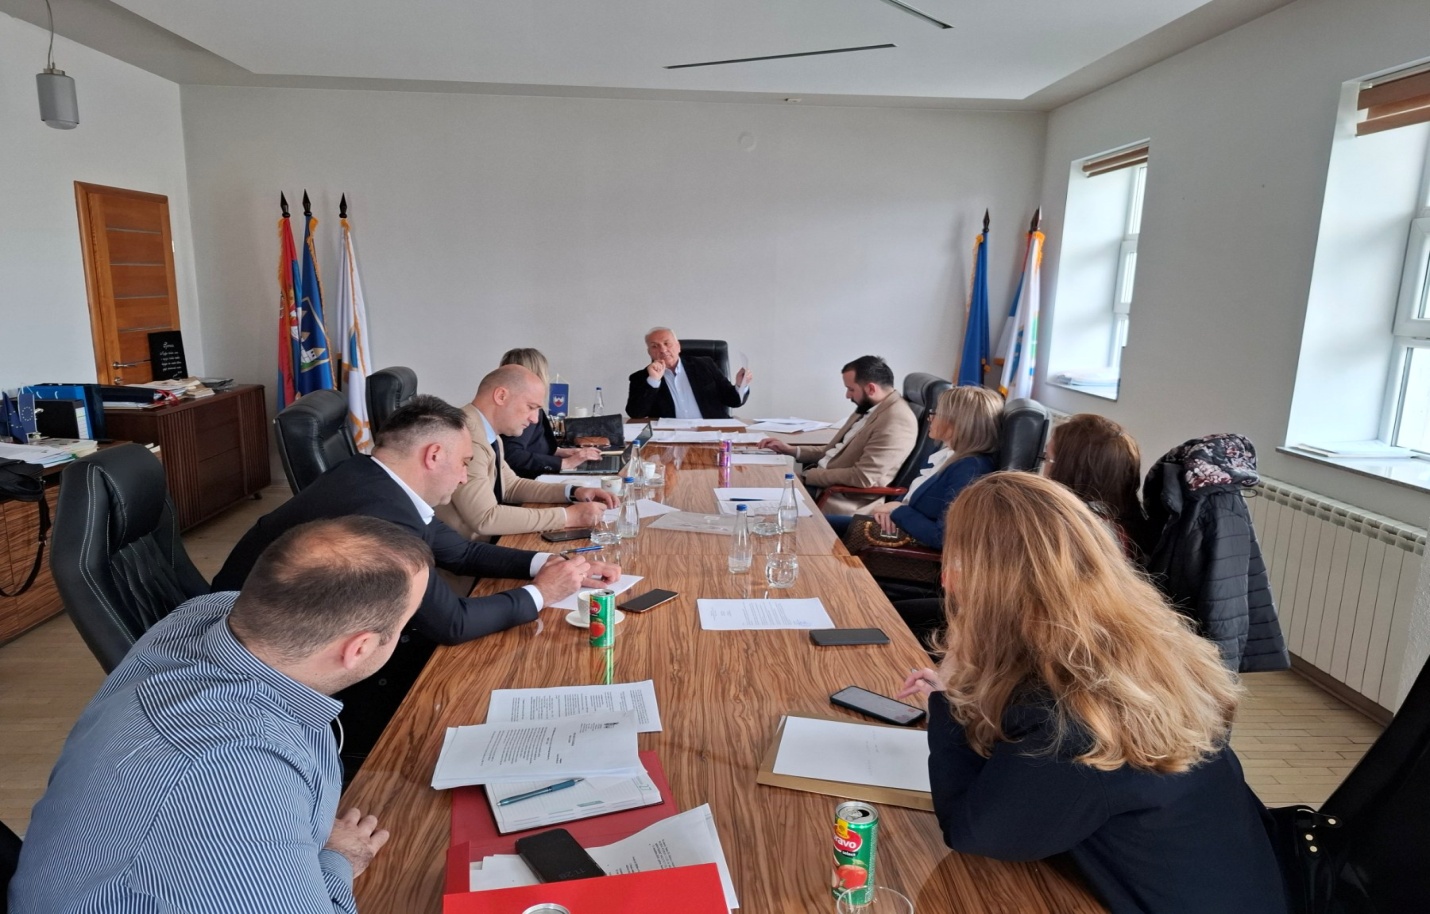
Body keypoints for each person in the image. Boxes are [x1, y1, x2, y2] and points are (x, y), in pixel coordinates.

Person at [895, 473, 1287, 914]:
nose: (946, 579)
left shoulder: (1071, 712)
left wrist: (951, 700)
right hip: (1232, 884)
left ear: (990, 581)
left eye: (955, 561)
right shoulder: (1135, 645)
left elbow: (978, 833)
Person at [10, 516, 431, 914]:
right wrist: (339, 858)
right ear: (359, 648)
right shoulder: (230, 774)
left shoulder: (209, 613)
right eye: (403, 625)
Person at [213, 395, 619, 772]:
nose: (465, 477)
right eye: (464, 463)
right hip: (262, 665)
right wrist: (543, 593)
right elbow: (451, 623)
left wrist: (549, 563)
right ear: (434, 455)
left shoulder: (372, 477)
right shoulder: (380, 515)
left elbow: (461, 553)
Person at [436, 364, 617, 539]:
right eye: (531, 407)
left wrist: (573, 491)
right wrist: (568, 517)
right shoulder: (467, 436)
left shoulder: (487, 432)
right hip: (469, 552)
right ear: (501, 396)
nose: (534, 419)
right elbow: (485, 518)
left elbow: (511, 486)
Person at [828, 384, 1003, 548]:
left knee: (818, 529)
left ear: (958, 422)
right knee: (817, 524)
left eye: (936, 413)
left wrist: (898, 511)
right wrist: (890, 508)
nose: (930, 417)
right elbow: (914, 497)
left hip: (907, 548)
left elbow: (945, 537)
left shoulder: (969, 469)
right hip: (895, 531)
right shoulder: (947, 456)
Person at [758, 355, 917, 515]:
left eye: (851, 389)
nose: (847, 395)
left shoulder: (896, 421)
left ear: (871, 389)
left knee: (761, 498)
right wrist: (790, 450)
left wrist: (807, 476)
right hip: (821, 485)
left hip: (838, 499)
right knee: (761, 479)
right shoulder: (870, 407)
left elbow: (863, 477)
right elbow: (832, 452)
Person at [1044, 413, 1150, 560]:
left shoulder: (1075, 534)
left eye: (1048, 459)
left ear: (1072, 471)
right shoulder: (1121, 522)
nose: (1043, 469)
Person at [497, 347, 602, 477]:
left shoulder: (519, 406)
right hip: (527, 481)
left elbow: (532, 444)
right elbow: (513, 455)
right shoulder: (522, 411)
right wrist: (564, 463)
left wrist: (561, 452)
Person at [624, 327, 751, 419]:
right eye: (654, 346)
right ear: (649, 352)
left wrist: (740, 385)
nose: (662, 349)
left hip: (711, 432)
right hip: (670, 437)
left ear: (678, 346)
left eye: (667, 343)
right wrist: (653, 381)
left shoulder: (705, 365)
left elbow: (733, 401)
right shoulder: (640, 377)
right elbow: (636, 413)